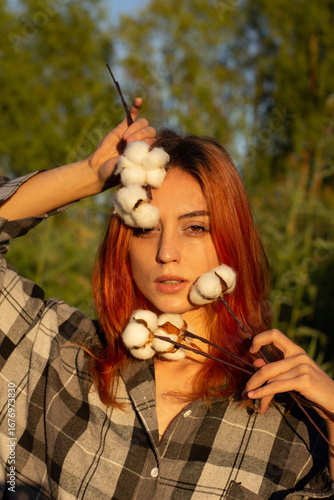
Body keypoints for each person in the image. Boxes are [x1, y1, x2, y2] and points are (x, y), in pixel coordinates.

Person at [0, 98, 333, 499]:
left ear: (232, 239)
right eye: (145, 229)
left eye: (195, 227)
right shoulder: (58, 354)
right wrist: (90, 175)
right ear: (123, 242)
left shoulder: (291, 423)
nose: (166, 253)